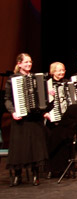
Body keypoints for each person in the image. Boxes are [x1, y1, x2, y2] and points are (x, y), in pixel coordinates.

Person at [5, 53, 48, 186]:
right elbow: (7, 99)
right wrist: (13, 112)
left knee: (35, 147)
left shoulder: (37, 78)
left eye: (30, 62)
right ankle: (18, 175)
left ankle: (36, 175)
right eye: (26, 62)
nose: (29, 64)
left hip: (35, 118)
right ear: (19, 64)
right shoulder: (13, 79)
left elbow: (43, 97)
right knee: (19, 147)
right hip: (20, 119)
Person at [44, 62, 72, 178]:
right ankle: (51, 169)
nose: (61, 72)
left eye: (63, 70)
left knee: (65, 144)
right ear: (52, 72)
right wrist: (45, 113)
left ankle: (64, 169)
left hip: (65, 119)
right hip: (52, 118)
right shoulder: (47, 84)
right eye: (58, 70)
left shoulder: (67, 83)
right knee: (53, 144)